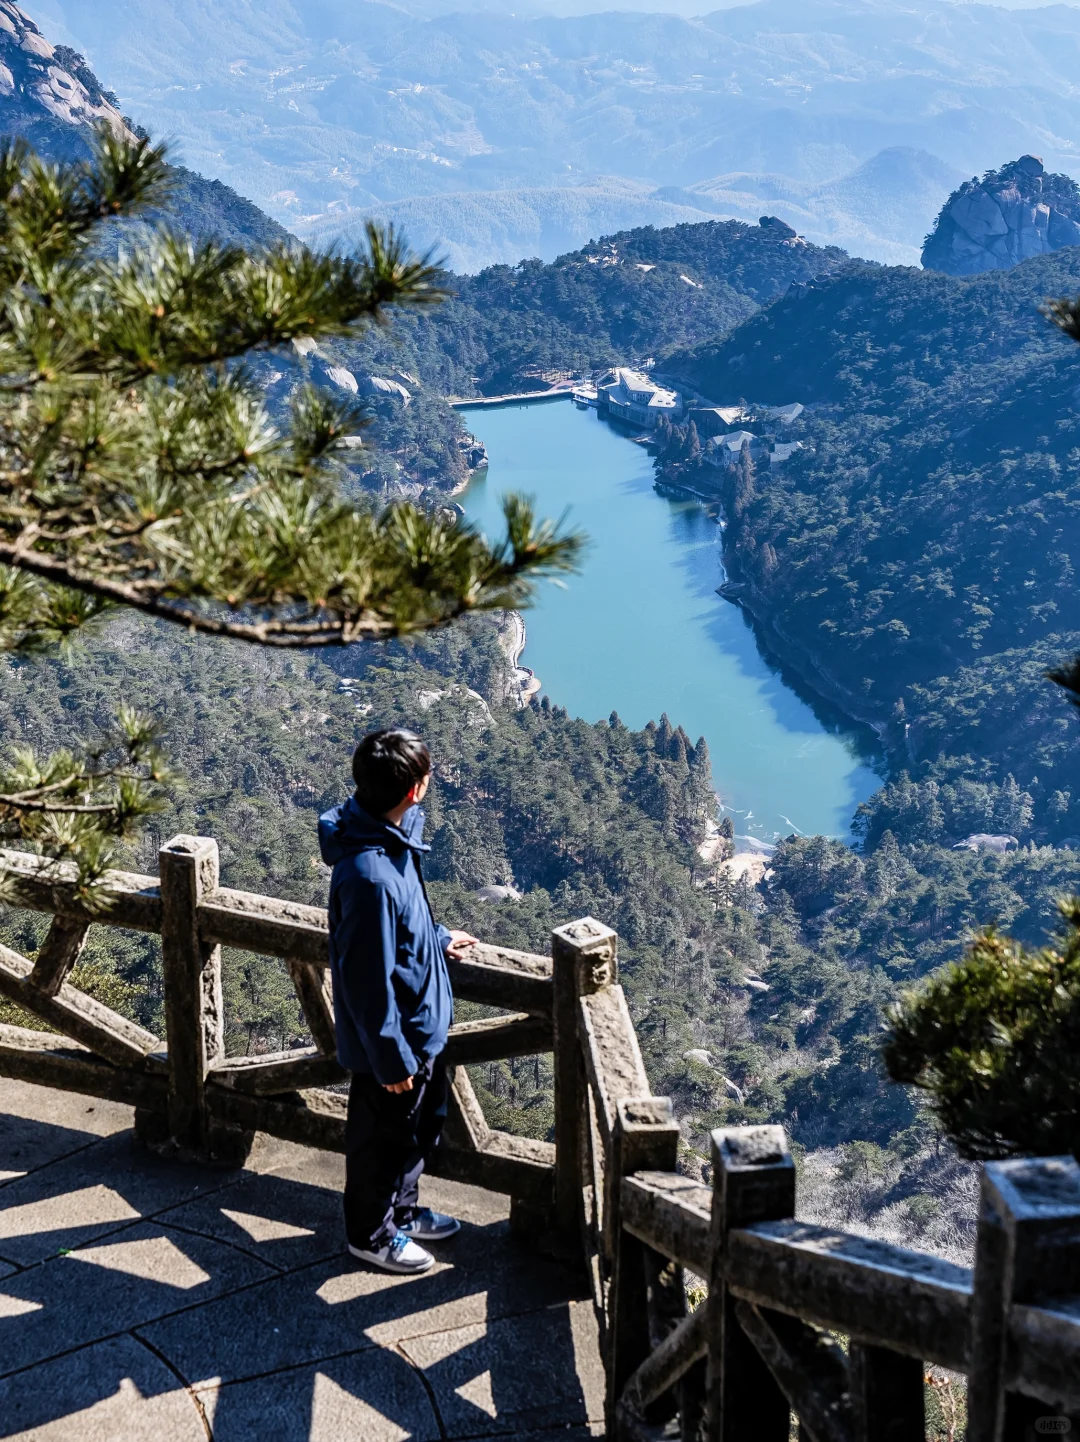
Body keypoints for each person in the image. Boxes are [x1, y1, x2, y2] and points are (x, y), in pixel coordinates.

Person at [318, 728, 477, 1274]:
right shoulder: (369, 874)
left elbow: (403, 930)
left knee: (411, 1134)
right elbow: (365, 979)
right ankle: (370, 1234)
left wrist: (437, 939)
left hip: (417, 1031)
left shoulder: (393, 838)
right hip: (395, 1046)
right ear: (414, 788)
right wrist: (389, 1058)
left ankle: (402, 1215)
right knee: (379, 1143)